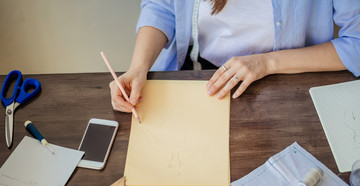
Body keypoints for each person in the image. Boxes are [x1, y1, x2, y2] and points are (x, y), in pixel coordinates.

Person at [110, 0, 360, 113]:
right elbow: (162, 7)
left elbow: (356, 44)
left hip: (287, 82)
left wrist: (267, 62)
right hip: (197, 74)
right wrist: (138, 67)